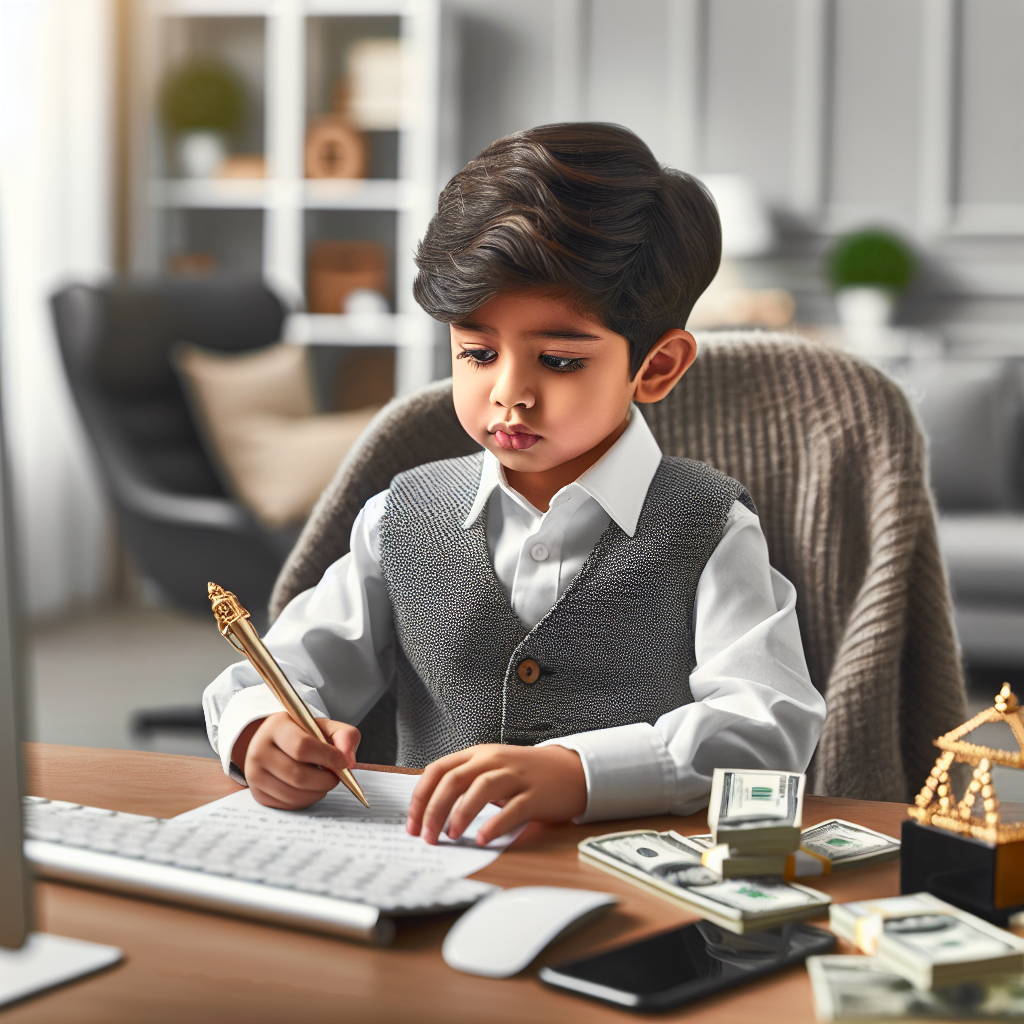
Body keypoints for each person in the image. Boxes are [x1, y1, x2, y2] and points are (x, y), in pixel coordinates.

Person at [203, 123, 826, 847]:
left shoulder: (709, 525)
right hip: (421, 877)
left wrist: (581, 773)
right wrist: (262, 733)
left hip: (634, 885)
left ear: (655, 368)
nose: (509, 394)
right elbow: (273, 676)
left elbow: (769, 726)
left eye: (559, 361)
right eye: (476, 352)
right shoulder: (398, 519)